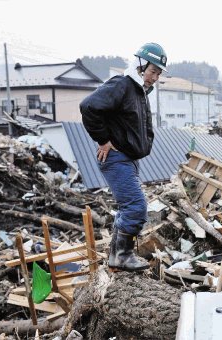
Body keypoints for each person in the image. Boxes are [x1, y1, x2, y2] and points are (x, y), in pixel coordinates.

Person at [80, 42, 168, 272]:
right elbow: (89, 106)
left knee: (127, 207)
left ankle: (116, 258)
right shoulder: (122, 85)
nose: (155, 78)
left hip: (127, 159)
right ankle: (122, 256)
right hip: (116, 158)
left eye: (158, 73)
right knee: (136, 207)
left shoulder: (138, 90)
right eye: (153, 71)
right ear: (140, 65)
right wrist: (103, 140)